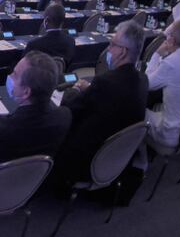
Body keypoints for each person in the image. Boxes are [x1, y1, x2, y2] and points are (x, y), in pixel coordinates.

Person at [0, 51, 72, 210]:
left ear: (26, 92)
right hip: (30, 188)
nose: (10, 75)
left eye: (15, 74)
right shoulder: (64, 116)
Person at [57, 20, 148, 182]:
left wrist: (76, 89)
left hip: (89, 159)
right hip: (119, 157)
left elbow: (70, 107)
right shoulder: (143, 79)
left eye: (112, 44)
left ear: (122, 52)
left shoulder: (105, 83)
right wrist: (90, 89)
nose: (109, 49)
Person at [144, 20, 180, 148]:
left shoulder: (170, 63)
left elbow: (146, 83)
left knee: (138, 112)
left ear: (172, 40)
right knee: (157, 105)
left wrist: (157, 53)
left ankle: (140, 161)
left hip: (171, 134)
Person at [23, 3, 76, 71]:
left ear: (46, 21)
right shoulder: (71, 41)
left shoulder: (34, 44)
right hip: (60, 79)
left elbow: (23, 66)